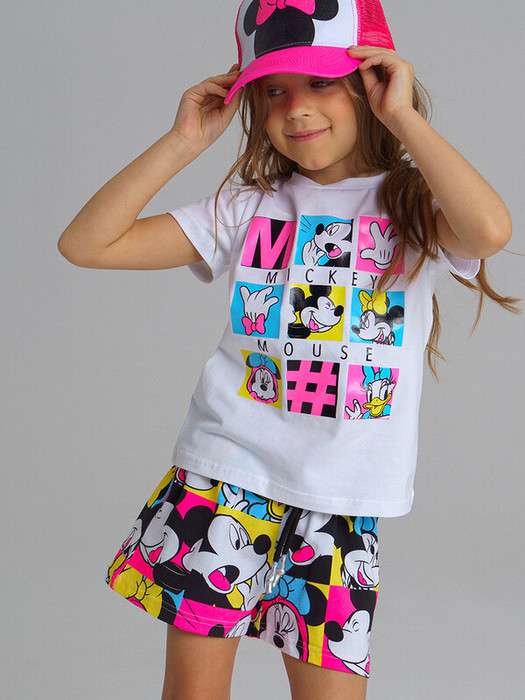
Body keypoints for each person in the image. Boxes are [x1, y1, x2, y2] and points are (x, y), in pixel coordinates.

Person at [58, 1, 517, 698]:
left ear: (370, 83)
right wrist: (182, 143)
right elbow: (87, 244)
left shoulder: (410, 206)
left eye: (321, 82)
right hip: (223, 482)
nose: (295, 108)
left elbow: (488, 231)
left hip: (340, 500)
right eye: (273, 91)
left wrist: (404, 119)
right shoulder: (248, 208)